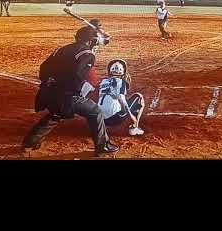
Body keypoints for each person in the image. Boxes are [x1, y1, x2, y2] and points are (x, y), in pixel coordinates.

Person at [23, 26, 119, 156]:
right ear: (90, 41)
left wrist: (51, 81)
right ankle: (103, 146)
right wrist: (75, 95)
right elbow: (76, 77)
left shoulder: (61, 49)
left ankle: (30, 141)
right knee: (94, 111)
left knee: (57, 113)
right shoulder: (87, 54)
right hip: (66, 95)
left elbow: (43, 69)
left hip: (47, 92)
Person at [98, 59, 145, 136]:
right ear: (123, 72)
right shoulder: (121, 81)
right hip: (115, 119)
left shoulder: (103, 82)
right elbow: (121, 98)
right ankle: (134, 127)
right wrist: (131, 116)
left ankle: (102, 128)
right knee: (138, 97)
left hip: (100, 120)